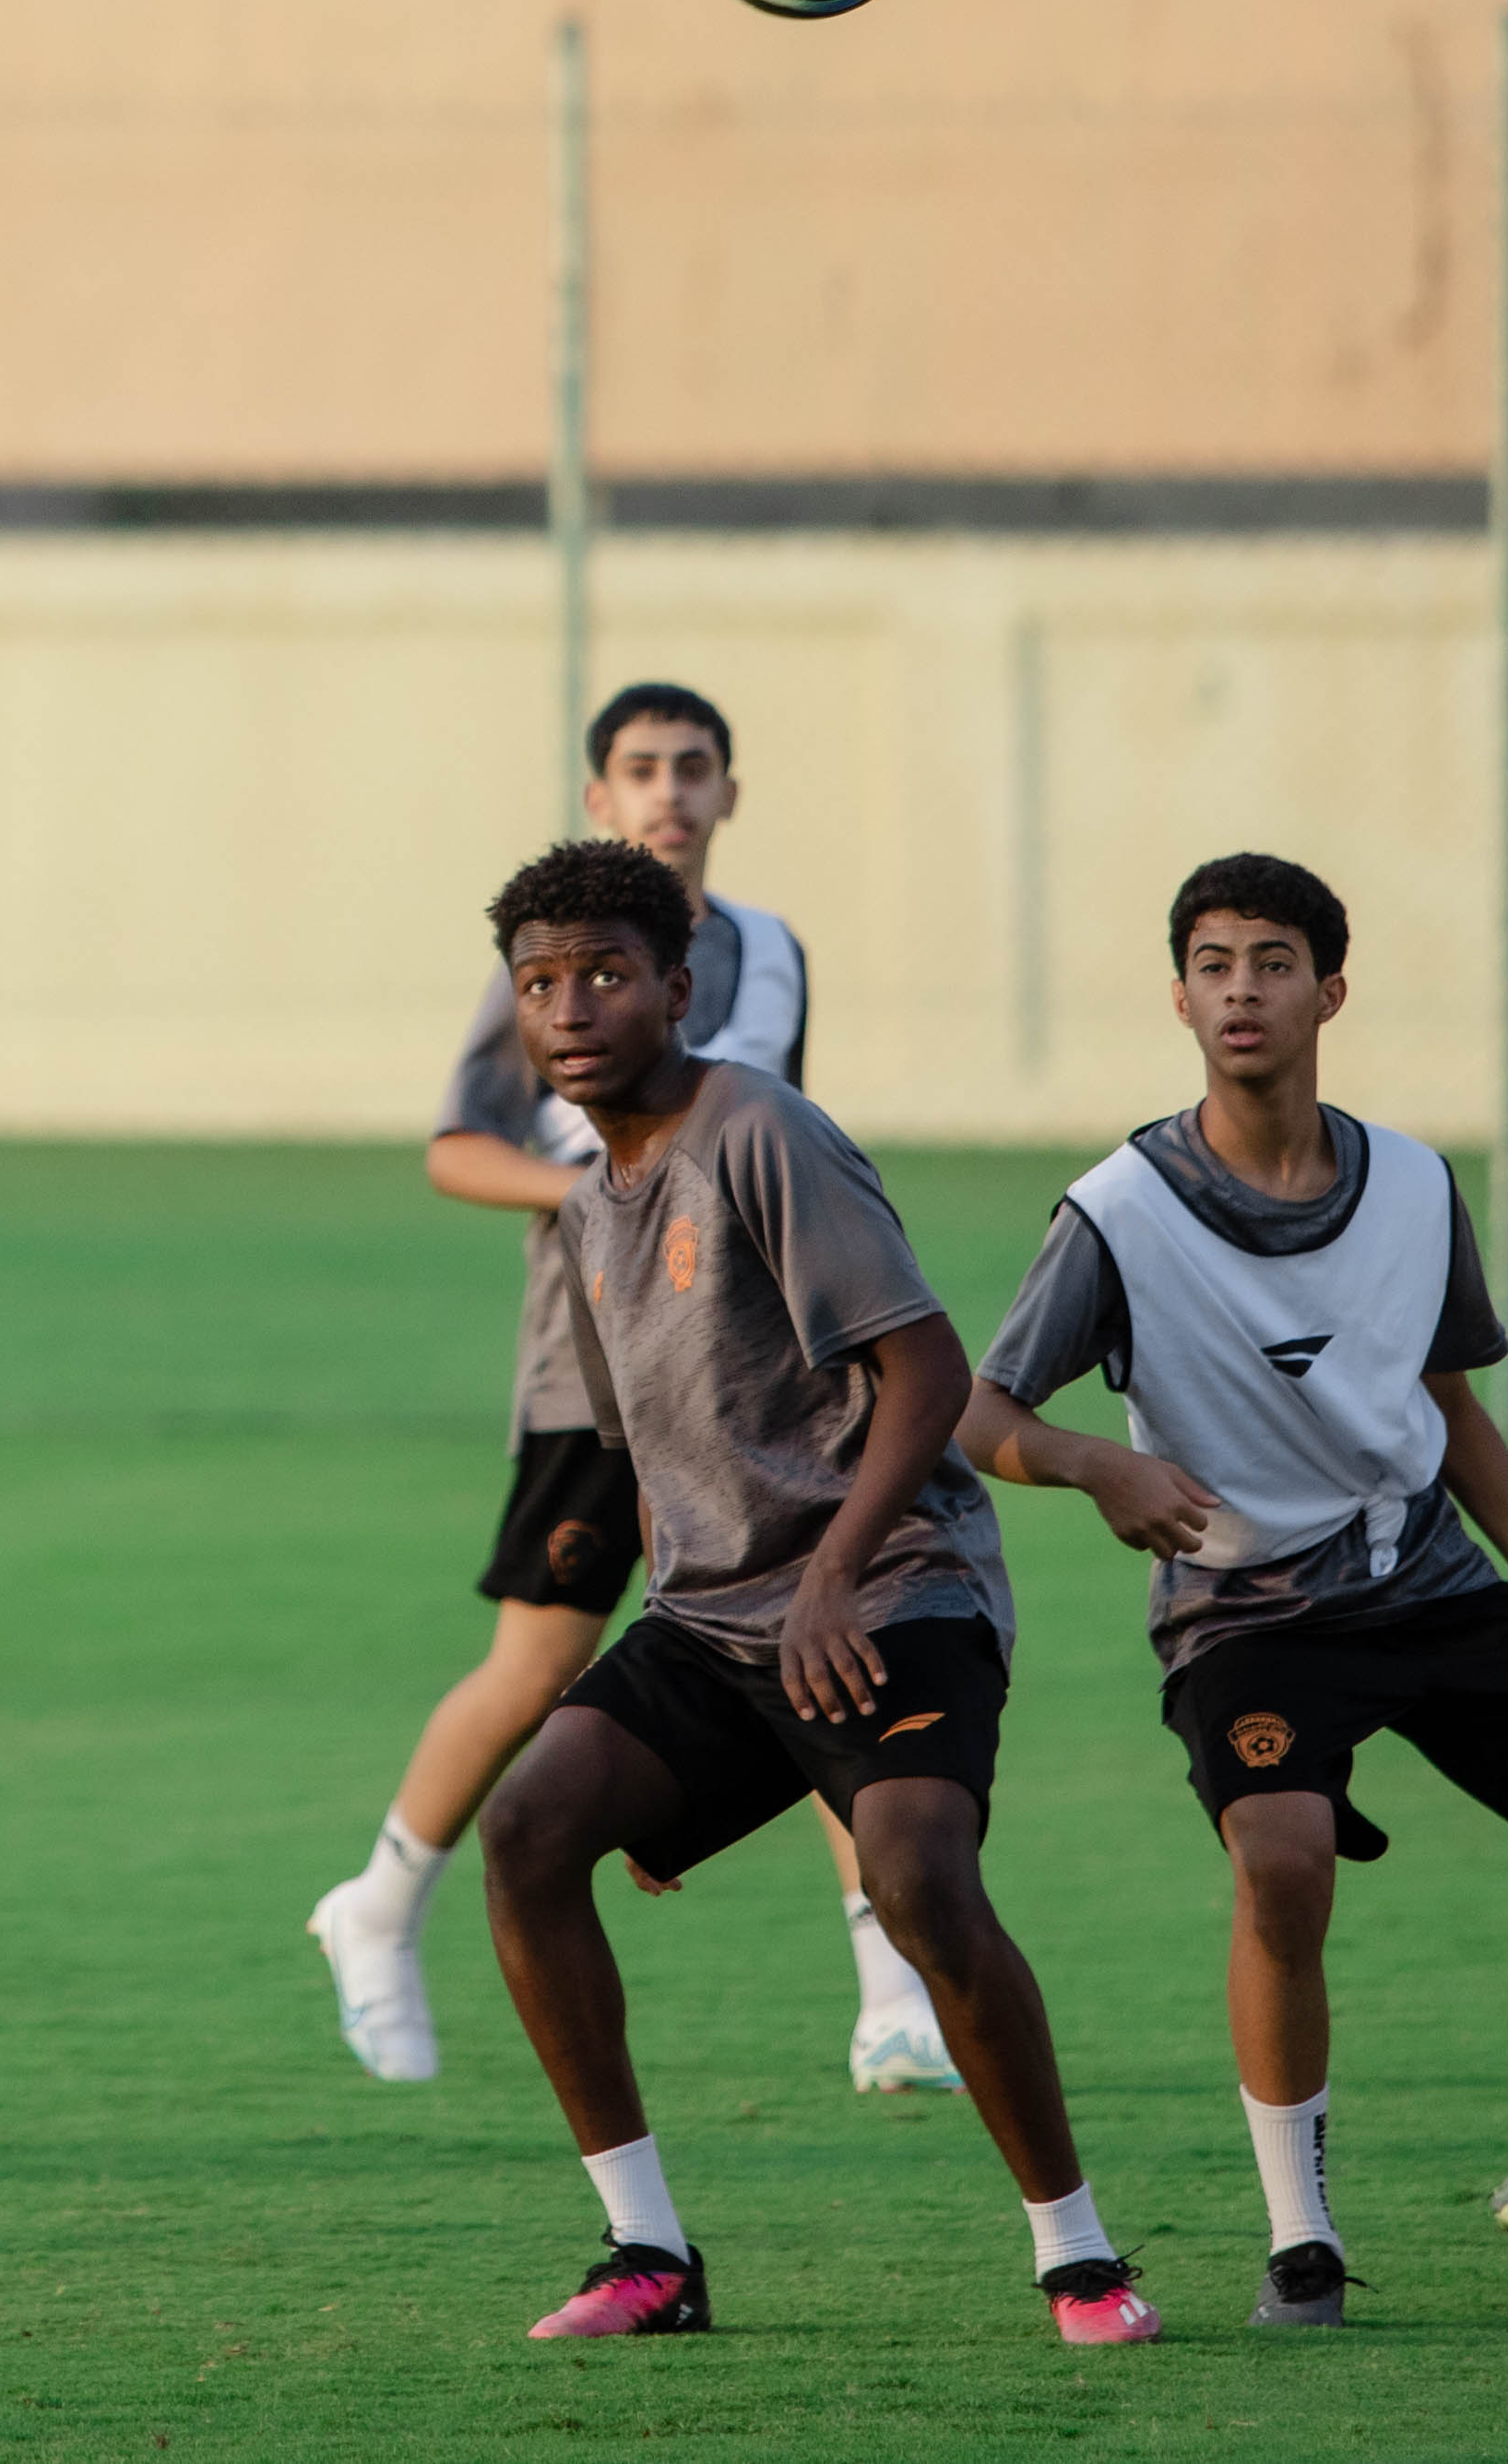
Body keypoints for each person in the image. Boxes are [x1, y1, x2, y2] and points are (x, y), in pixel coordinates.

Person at [960, 854, 1508, 2326]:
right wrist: (1088, 1465)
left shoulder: (1417, 1181)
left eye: (1271, 959)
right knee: (1284, 1859)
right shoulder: (1119, 1207)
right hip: (1246, 1615)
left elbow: (1448, 1400)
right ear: (1178, 994)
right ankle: (1300, 2238)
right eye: (1211, 961)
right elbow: (976, 1410)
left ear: (1331, 988)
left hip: (1425, 1580)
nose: (1240, 988)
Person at [467, 839, 1158, 2349]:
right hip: (717, 1621)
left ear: (677, 983)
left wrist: (838, 1574)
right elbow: (657, 1469)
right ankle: (647, 2255)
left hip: (896, 1582)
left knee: (914, 1878)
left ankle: (1079, 2256)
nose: (571, 1004)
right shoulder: (588, 1206)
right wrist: (669, 1781)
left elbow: (923, 1373)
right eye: (539, 982)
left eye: (604, 972)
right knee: (528, 1831)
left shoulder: (759, 1130)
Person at [312, 683, 957, 2094]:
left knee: (811, 1623)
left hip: (761, 1370)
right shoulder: (550, 959)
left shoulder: (776, 951)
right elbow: (452, 1144)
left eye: (694, 768)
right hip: (597, 1361)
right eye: (641, 769)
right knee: (542, 1660)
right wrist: (604, 1190)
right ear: (601, 794)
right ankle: (379, 1898)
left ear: (731, 791)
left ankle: (890, 1986)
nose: (670, 790)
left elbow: (781, 1146)